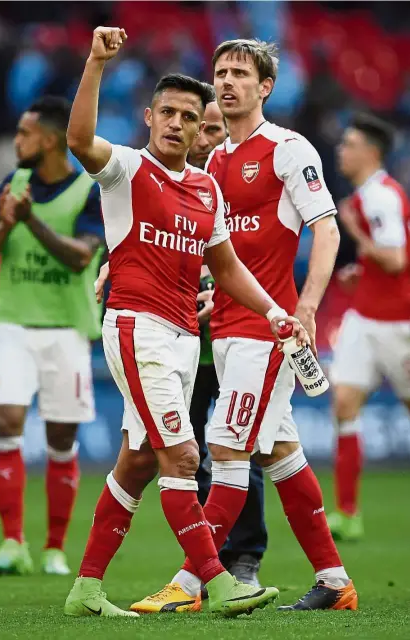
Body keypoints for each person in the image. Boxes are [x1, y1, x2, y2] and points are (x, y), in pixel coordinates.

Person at [63, 26, 307, 619]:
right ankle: (219, 582)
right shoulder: (124, 168)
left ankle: (85, 589)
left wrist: (274, 310)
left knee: (140, 460)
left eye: (187, 117)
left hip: (181, 340)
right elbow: (78, 139)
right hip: (136, 329)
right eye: (166, 112)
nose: (175, 123)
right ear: (148, 117)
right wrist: (96, 62)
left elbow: (225, 268)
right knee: (185, 458)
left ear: (203, 128)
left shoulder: (204, 189)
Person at [135, 38, 358, 612]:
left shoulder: (288, 149)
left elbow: (327, 231)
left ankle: (189, 585)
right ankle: (335, 582)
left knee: (227, 451)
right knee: (281, 453)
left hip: (270, 334)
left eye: (240, 73)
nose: (227, 81)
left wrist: (305, 308)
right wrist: (207, 292)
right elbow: (219, 253)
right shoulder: (214, 162)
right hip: (227, 331)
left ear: (265, 88)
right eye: (221, 72)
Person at [0, 96, 105, 577]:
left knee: (61, 438)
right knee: (6, 421)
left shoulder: (89, 192)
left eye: (24, 134)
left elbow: (79, 256)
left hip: (67, 331)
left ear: (49, 140)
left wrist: (29, 220)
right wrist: (7, 219)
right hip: (11, 325)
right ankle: (13, 543)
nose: (16, 142)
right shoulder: (13, 185)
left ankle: (53, 548)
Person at [188, 99, 268, 588]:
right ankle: (205, 557)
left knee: (238, 450)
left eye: (219, 129)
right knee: (187, 455)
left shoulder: (242, 190)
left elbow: (251, 262)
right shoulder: (170, 186)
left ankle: (245, 556)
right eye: (206, 129)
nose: (211, 138)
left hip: (236, 336)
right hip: (185, 347)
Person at [328, 113, 410, 541]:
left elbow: (396, 259)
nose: (342, 150)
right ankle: (347, 513)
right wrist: (362, 272)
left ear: (371, 153)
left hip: (400, 324)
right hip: (365, 316)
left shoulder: (379, 198)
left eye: (349, 143)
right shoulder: (371, 194)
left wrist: (355, 230)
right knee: (344, 403)